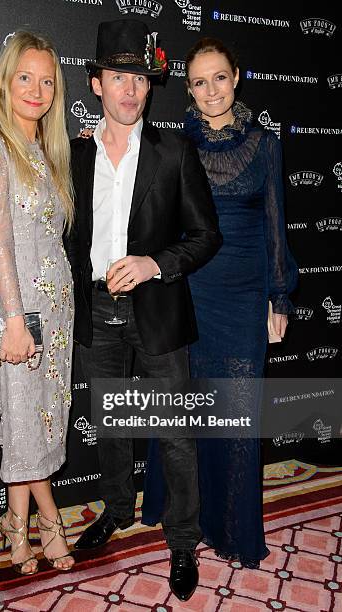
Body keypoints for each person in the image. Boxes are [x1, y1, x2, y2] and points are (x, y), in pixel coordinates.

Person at [64, 20, 221, 601]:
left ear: (149, 86)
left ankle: (183, 542)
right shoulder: (74, 152)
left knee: (174, 433)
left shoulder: (175, 150)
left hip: (156, 310)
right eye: (117, 77)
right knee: (112, 422)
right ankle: (117, 510)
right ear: (96, 84)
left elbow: (206, 235)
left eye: (139, 78)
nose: (130, 89)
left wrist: (155, 264)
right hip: (96, 307)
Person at [142, 37, 298, 568]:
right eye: (200, 81)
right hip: (189, 290)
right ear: (188, 89)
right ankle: (185, 517)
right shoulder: (173, 142)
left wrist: (279, 297)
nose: (212, 90)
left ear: (237, 78)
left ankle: (231, 528)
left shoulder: (266, 144)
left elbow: (275, 222)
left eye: (220, 78)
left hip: (243, 293)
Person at [0, 31, 75, 575]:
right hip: (11, 310)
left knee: (39, 420)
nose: (36, 89)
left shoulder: (47, 151)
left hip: (56, 312)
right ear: (5, 82)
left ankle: (15, 523)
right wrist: (13, 321)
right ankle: (49, 522)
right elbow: (0, 241)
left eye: (47, 81)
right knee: (24, 420)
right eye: (25, 77)